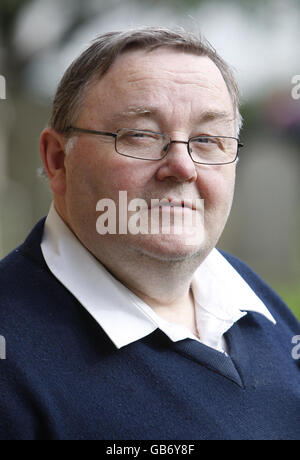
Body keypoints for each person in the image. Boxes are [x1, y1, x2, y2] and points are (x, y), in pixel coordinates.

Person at [0, 27, 299, 441]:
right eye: (141, 134)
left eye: (208, 139)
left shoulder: (255, 302)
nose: (182, 166)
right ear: (57, 160)